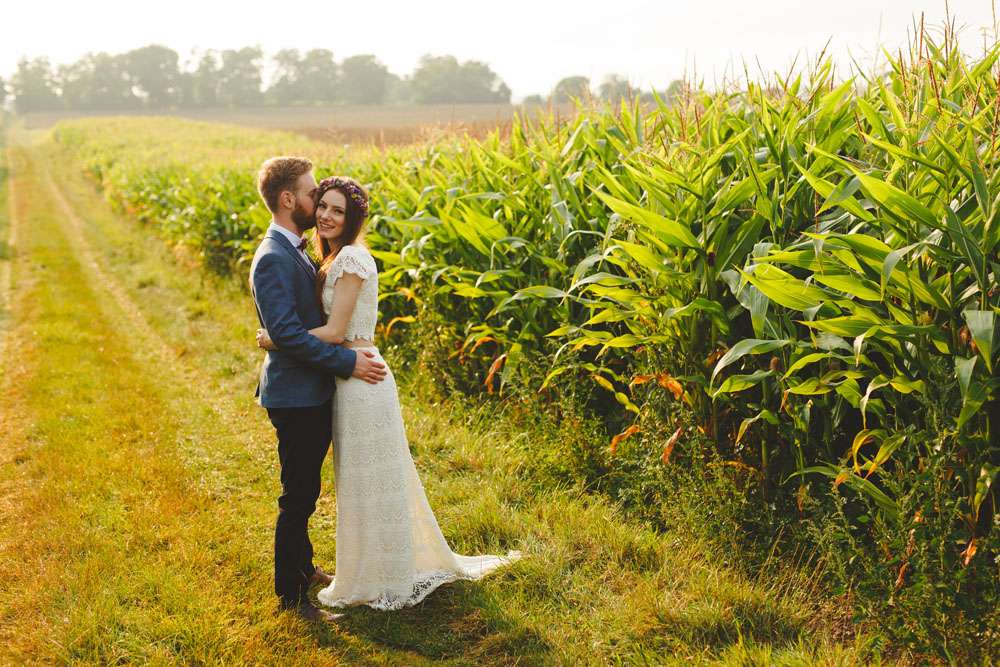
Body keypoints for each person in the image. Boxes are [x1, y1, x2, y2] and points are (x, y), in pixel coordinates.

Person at [256, 174, 522, 613]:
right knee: (357, 482)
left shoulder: (351, 259)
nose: (325, 215)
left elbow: (335, 332)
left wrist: (276, 339)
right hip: (346, 379)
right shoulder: (326, 256)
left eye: (337, 210)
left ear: (353, 218)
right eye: (322, 205)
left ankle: (382, 573)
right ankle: (359, 569)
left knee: (370, 480)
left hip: (362, 377)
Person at [248, 157, 387, 623]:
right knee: (297, 497)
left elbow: (293, 330)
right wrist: (348, 362)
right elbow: (289, 336)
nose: (319, 203)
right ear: (289, 199)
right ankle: (292, 599)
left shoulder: (294, 248)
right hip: (296, 396)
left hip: (310, 391)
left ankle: (304, 569)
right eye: (312, 195)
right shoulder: (273, 257)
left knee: (306, 488)